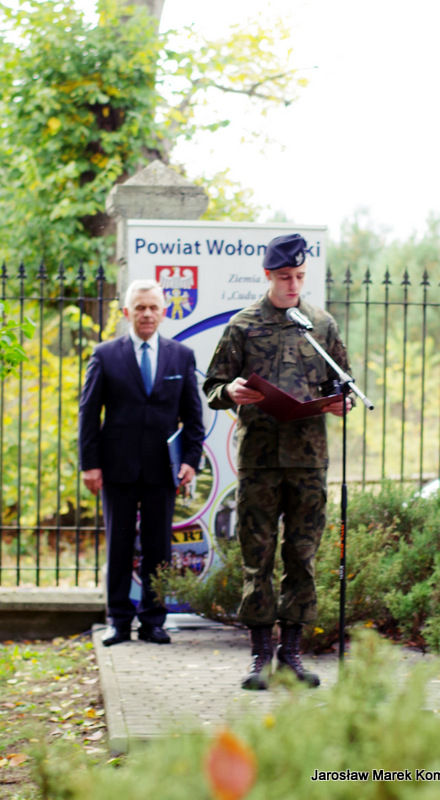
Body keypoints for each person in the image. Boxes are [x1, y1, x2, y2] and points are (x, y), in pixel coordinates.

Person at [203, 233, 353, 689]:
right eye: (285, 277)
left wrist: (340, 402)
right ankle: (259, 657)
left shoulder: (321, 325)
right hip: (260, 460)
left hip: (309, 460)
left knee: (302, 556)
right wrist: (229, 391)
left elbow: (343, 384)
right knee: (258, 556)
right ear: (268, 275)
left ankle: (291, 654)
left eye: (300, 277)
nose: (293, 285)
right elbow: (212, 387)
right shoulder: (243, 325)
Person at [79, 279, 204, 646]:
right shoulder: (105, 354)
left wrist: (191, 460)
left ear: (163, 312)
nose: (147, 314)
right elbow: (89, 413)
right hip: (116, 466)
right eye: (140, 308)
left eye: (153, 308)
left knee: (158, 547)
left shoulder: (181, 356)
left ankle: (153, 620)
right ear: (126, 313)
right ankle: (118, 621)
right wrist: (90, 464)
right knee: (119, 545)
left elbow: (193, 417)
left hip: (162, 469)